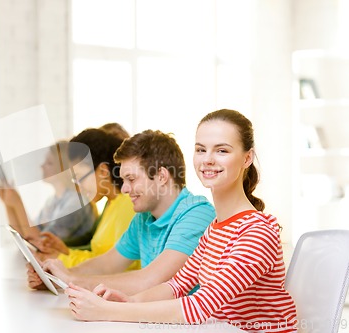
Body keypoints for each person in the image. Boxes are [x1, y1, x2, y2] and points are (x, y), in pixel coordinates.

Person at [65, 109, 297, 332]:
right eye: (200, 149)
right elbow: (176, 287)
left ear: (247, 158)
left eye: (222, 151)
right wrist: (129, 302)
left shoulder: (257, 231)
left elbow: (199, 306)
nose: (207, 159)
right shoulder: (215, 229)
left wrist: (109, 311)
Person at [29, 129, 215, 295]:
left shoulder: (197, 215)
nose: (124, 189)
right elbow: (107, 264)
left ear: (161, 177)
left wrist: (72, 281)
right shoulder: (143, 219)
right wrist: (56, 278)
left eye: (131, 179)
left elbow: (150, 281)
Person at [35, 128, 138, 269]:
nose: (78, 187)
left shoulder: (129, 205)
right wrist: (65, 252)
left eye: (79, 178)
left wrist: (60, 260)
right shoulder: (111, 204)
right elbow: (98, 256)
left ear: (103, 171)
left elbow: (117, 267)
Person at [0, 140, 96, 248]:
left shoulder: (76, 202)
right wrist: (9, 204)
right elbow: (25, 236)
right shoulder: (52, 201)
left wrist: (18, 203)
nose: (42, 166)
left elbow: (40, 244)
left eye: (49, 163)